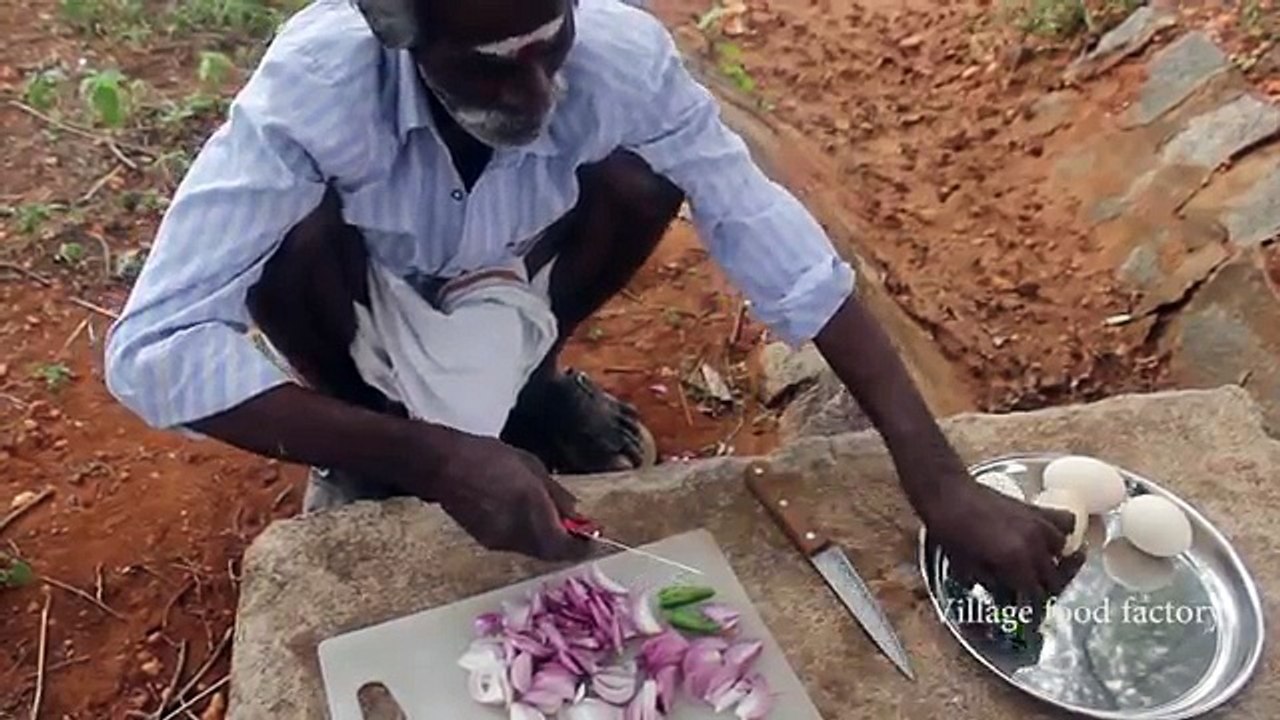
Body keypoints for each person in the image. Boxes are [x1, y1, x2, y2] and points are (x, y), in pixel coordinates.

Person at [104, 0, 1079, 600]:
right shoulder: (314, 90)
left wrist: (935, 477)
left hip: (521, 276)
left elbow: (759, 223)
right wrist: (430, 456)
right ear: (402, 34)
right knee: (291, 237)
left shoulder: (616, 56)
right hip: (370, 308)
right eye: (489, 62)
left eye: (547, 40)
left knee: (640, 175)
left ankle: (531, 388)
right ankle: (367, 437)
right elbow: (154, 345)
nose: (534, 88)